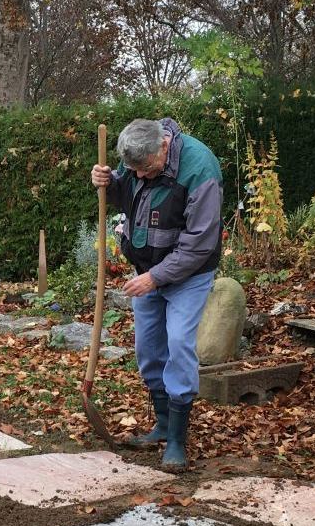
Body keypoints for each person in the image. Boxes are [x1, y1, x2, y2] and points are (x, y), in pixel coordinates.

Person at [91, 118, 223, 468]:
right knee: (148, 350)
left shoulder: (200, 168)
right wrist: (109, 183)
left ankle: (178, 440)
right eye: (135, 170)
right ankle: (163, 425)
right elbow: (126, 198)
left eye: (147, 170)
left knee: (179, 343)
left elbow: (199, 245)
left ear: (163, 146)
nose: (143, 176)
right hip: (146, 270)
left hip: (188, 274)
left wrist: (154, 278)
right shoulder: (139, 154)